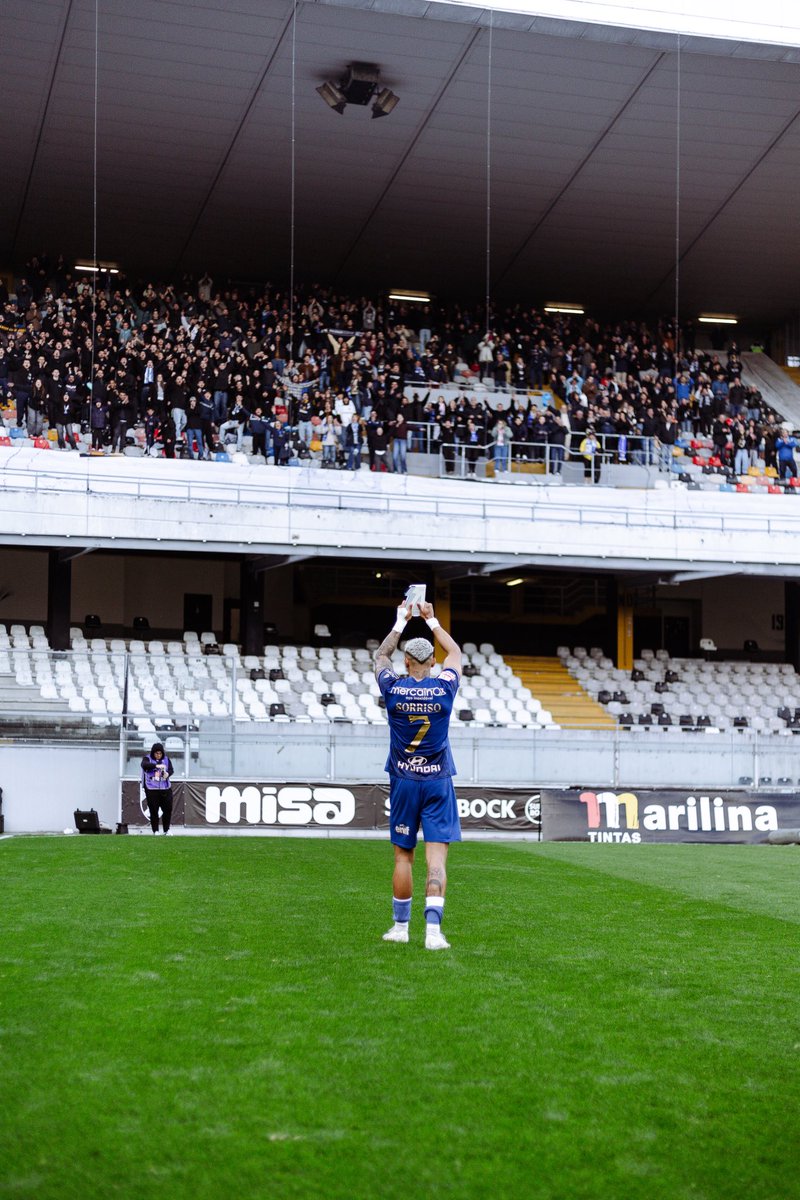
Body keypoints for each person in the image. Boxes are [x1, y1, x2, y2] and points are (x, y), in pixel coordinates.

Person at [374, 598, 462, 951]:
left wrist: (400, 621)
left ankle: (400, 927)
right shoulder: (444, 687)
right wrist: (432, 620)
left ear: (407, 662)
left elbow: (381, 657)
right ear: (432, 662)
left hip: (404, 780)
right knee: (436, 859)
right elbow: (455, 652)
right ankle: (433, 933)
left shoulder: (393, 689)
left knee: (402, 857)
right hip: (437, 780)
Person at [140, 742, 175, 834]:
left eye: (160, 753)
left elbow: (171, 770)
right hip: (151, 788)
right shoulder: (147, 759)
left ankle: (166, 830)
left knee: (168, 809)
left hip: (165, 788)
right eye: (156, 753)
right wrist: (156, 766)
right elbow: (144, 765)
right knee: (153, 810)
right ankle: (155, 830)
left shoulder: (166, 759)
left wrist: (168, 774)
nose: (158, 755)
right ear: (153, 753)